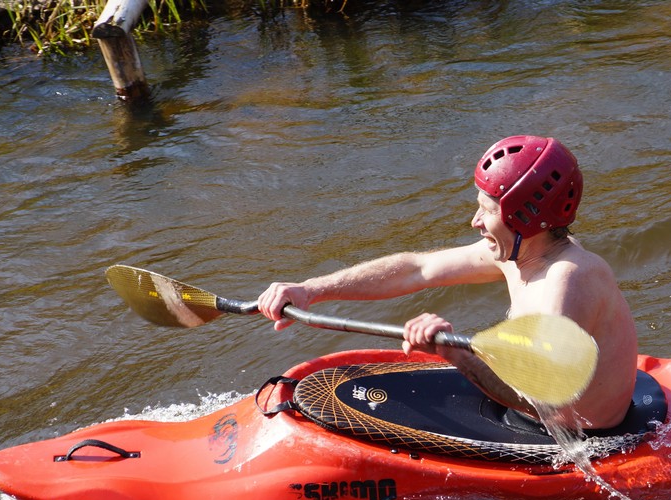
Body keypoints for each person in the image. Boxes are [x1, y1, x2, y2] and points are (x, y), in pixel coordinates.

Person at [256, 136, 638, 429]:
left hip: (584, 437)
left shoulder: (566, 281)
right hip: (535, 407)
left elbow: (542, 400)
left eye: (487, 212)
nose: (474, 221)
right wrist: (310, 290)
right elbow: (417, 269)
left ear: (525, 219)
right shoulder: (519, 252)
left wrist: (452, 353)